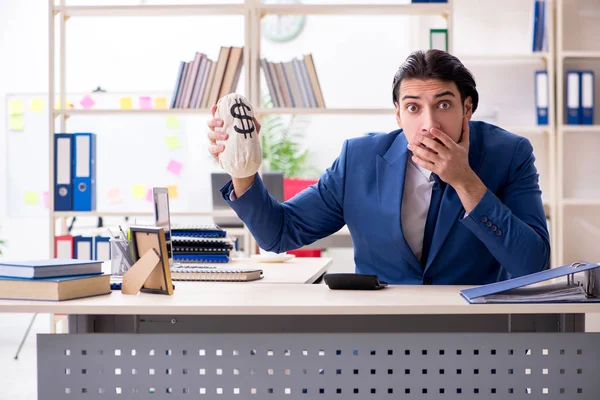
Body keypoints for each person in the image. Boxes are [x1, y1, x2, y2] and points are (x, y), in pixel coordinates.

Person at [206, 49, 550, 285]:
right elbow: (278, 234)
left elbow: (531, 264)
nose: (430, 124)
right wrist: (242, 164)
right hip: (379, 337)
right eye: (414, 108)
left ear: (467, 108)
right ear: (398, 114)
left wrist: (465, 182)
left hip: (476, 336)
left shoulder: (510, 154)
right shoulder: (360, 159)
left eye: (443, 104)